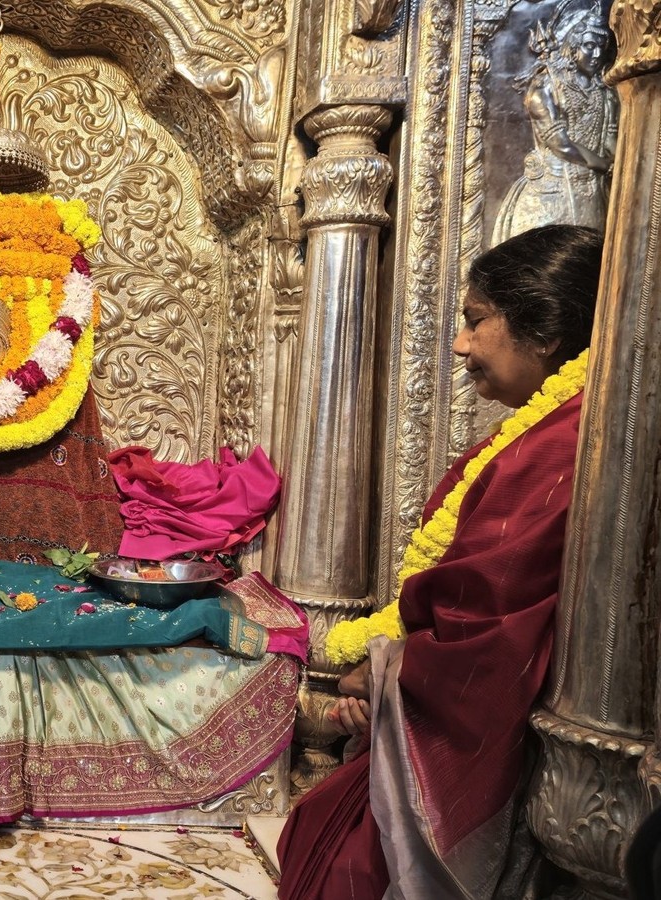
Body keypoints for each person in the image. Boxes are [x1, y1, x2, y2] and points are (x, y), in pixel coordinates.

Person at [277, 223, 603, 899]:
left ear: (544, 333)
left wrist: (387, 672)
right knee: (319, 826)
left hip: (525, 751)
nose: (460, 343)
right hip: (473, 703)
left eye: (476, 321)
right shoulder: (547, 428)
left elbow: (487, 609)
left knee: (338, 861)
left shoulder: (562, 444)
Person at [493, 3, 616, 242]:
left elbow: (609, 138)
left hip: (592, 190)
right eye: (589, 46)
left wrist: (620, 164)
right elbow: (561, 144)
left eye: (601, 47)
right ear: (572, 46)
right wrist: (606, 165)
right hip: (551, 191)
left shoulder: (604, 92)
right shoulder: (546, 88)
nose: (597, 54)